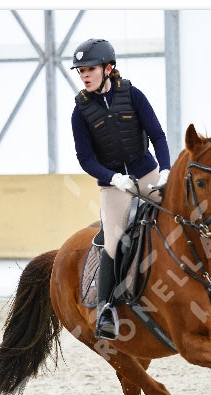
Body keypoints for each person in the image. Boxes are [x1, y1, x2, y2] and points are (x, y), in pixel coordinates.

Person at [70, 38, 171, 340]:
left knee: (182, 211)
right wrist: (113, 178)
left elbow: (158, 136)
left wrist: (165, 170)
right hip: (114, 186)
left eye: (89, 69)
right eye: (81, 71)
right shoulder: (80, 112)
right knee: (113, 242)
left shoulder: (133, 95)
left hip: (146, 173)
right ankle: (105, 310)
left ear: (107, 68)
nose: (84, 75)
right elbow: (85, 159)